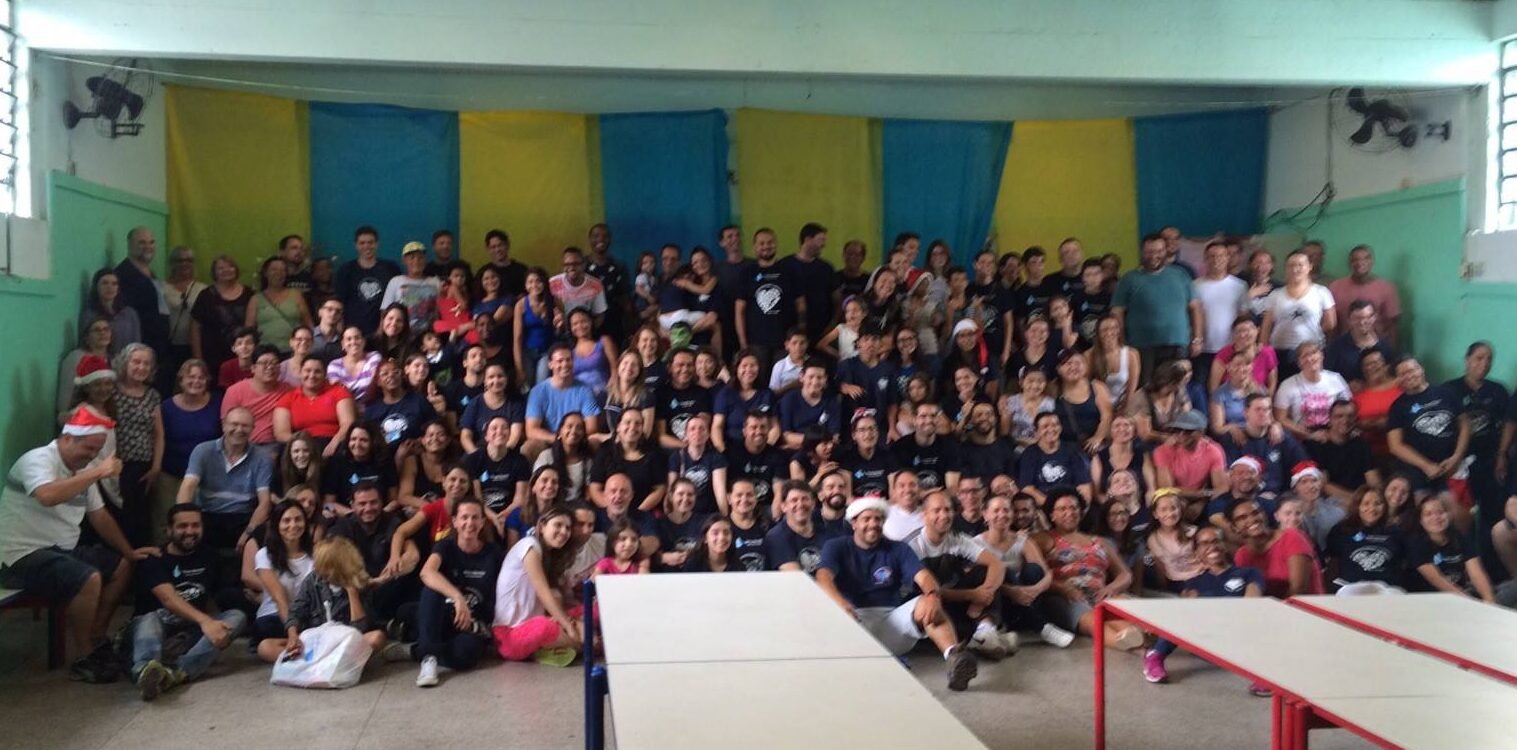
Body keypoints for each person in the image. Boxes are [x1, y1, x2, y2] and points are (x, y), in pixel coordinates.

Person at [0, 409, 149, 682]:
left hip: (61, 551)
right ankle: (85, 656)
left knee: (122, 565)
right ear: (68, 438)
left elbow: (100, 517)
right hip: (19, 555)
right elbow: (47, 495)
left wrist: (129, 552)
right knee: (88, 577)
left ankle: (96, 636)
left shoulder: (84, 472)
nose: (92, 455)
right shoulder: (38, 459)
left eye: (97, 451)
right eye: (88, 448)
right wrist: (99, 472)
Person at [815, 498, 980, 690]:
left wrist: (933, 596)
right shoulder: (836, 546)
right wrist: (840, 603)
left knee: (928, 602)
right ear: (854, 523)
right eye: (867, 519)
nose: (873, 524)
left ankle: (954, 658)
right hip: (852, 620)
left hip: (891, 622)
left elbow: (924, 577)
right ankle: (882, 663)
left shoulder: (898, 548)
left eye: (878, 519)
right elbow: (823, 576)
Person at [129, 503, 247, 700]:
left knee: (236, 617)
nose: (190, 531)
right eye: (182, 526)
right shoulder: (154, 558)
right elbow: (168, 599)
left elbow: (219, 596)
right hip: (152, 629)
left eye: (195, 525)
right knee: (149, 618)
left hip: (189, 631)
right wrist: (205, 621)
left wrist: (219, 627)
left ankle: (177, 673)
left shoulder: (210, 556)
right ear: (169, 530)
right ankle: (145, 669)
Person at [1139, 525, 1265, 687]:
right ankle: (1155, 656)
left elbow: (1253, 603)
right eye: (1204, 543)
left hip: (1241, 634)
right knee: (1189, 606)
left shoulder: (1248, 573)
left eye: (1216, 541)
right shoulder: (1193, 582)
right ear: (1197, 552)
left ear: (1224, 545)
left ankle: (1266, 677)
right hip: (1209, 639)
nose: (1212, 546)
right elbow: (1187, 615)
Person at [405, 496, 502, 685]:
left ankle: (415, 650)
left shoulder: (494, 553)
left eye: (475, 518)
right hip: (443, 614)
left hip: (471, 624)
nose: (470, 523)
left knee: (467, 653)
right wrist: (458, 598)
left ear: (483, 522)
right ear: (455, 521)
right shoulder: (445, 546)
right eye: (464, 517)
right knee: (430, 591)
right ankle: (429, 658)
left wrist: (483, 624)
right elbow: (426, 572)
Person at [1034, 487, 1143, 649]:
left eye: (1074, 508)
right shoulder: (1043, 539)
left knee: (1124, 612)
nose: (1069, 512)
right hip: (1066, 597)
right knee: (1095, 620)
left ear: (1081, 512)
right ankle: (1130, 645)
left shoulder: (1100, 541)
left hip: (1099, 594)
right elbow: (1037, 574)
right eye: (1062, 509)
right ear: (1052, 515)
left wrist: (1111, 588)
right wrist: (1062, 588)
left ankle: (1140, 638)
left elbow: (1125, 574)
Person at [908, 490, 1009, 659]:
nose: (944, 515)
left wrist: (983, 595)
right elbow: (925, 593)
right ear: (924, 515)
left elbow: (996, 564)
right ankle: (985, 638)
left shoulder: (957, 538)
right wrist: (972, 595)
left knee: (984, 572)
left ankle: (985, 631)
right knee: (949, 624)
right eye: (937, 510)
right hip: (930, 606)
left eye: (948, 510)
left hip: (956, 601)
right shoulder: (912, 546)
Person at [976, 494, 1076, 648]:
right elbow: (975, 580)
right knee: (1003, 570)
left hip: (1027, 598)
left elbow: (1047, 574)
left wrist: (1035, 589)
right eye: (996, 511)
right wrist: (1011, 591)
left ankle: (1031, 623)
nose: (1002, 515)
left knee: (1033, 569)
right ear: (985, 515)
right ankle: (1043, 628)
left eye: (1006, 510)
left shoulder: (1023, 541)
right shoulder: (975, 544)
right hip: (998, 602)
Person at [490, 503, 586, 660]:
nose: (564, 532)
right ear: (542, 527)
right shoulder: (529, 545)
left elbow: (554, 599)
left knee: (585, 612)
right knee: (547, 628)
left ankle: (565, 646)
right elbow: (543, 593)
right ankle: (578, 646)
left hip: (535, 622)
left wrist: (572, 621)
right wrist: (569, 627)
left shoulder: (549, 556)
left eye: (568, 528)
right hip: (508, 634)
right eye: (558, 525)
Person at [177, 406, 274, 553]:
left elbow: (264, 502)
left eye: (245, 425)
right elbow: (188, 486)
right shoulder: (203, 451)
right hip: (207, 515)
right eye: (234, 424)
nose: (239, 430)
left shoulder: (262, 458)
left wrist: (249, 532)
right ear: (223, 425)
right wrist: (185, 522)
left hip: (243, 518)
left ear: (253, 429)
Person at [1387, 356, 1470, 524]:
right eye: (1403, 374)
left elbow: (1465, 426)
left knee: (1459, 514)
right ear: (1398, 379)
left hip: (1451, 464)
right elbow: (1395, 445)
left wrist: (1457, 457)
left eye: (1412, 370)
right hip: (1417, 470)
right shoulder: (1398, 407)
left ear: (1421, 369)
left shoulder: (1447, 393)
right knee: (1425, 513)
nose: (1409, 376)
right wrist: (1426, 466)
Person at [1112, 233, 1202, 387]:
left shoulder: (1181, 275)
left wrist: (1197, 339)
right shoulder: (1129, 279)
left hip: (1177, 344)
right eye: (1149, 252)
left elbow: (1195, 308)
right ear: (1142, 252)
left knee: (1176, 387)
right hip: (1142, 345)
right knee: (1146, 388)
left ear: (1166, 251)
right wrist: (1121, 342)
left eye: (1159, 251)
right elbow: (1117, 312)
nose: (1154, 256)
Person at [327, 482, 418, 623]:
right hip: (355, 589)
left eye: (373, 502)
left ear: (381, 502)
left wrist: (391, 573)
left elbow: (413, 555)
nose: (368, 508)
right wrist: (368, 583)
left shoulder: (392, 521)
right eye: (362, 504)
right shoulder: (342, 527)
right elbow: (335, 564)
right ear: (352, 505)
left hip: (388, 586)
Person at [1406, 495, 1506, 603]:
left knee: (1511, 588)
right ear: (1420, 520)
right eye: (1428, 514)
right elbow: (1438, 580)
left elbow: (1476, 571)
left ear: (1448, 515)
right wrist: (1471, 603)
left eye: (1440, 512)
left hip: (1465, 593)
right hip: (1434, 600)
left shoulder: (1459, 538)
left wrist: (1489, 600)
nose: (1436, 517)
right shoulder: (1417, 545)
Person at [251, 499, 317, 662]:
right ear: (277, 525)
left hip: (306, 616)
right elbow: (279, 598)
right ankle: (310, 655)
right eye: (286, 520)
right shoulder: (264, 555)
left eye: (298, 519)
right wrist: (293, 634)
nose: (293, 525)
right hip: (275, 617)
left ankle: (300, 656)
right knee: (265, 644)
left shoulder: (316, 554)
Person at [1260, 249, 1336, 378]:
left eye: (1300, 265)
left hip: (1311, 352)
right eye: (1291, 265)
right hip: (1280, 351)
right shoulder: (1275, 295)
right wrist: (1263, 351)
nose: (1295, 269)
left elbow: (1331, 323)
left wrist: (1314, 332)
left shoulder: (1321, 292)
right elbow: (1266, 326)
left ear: (1309, 267)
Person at [734, 228, 801, 370]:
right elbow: (739, 311)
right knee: (757, 379)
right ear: (754, 247)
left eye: (770, 242)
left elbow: (801, 305)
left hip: (785, 343)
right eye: (762, 243)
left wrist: (800, 334)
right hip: (756, 343)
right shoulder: (747, 273)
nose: (766, 246)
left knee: (784, 380)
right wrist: (743, 343)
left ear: (776, 244)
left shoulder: (789, 271)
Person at [1229, 497, 1324, 597]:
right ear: (1234, 528)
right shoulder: (1242, 555)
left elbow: (1299, 588)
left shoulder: (1292, 537)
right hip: (1269, 606)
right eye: (1242, 518)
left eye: (1256, 513)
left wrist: (1273, 606)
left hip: (1306, 604)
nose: (1252, 519)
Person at [524, 344, 603, 459]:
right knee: (529, 447)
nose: (565, 364)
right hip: (551, 440)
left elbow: (592, 428)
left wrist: (572, 438)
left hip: (577, 439)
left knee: (594, 442)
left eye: (568, 360)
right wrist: (558, 439)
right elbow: (531, 430)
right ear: (550, 364)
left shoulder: (585, 389)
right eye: (560, 361)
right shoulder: (538, 392)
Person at [1323, 486, 1406, 595]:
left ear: (1385, 506)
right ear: (1357, 506)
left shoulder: (1396, 532)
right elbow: (1331, 564)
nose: (1372, 508)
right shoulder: (1341, 530)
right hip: (1350, 588)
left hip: (1387, 589)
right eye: (1366, 504)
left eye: (1377, 504)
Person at [275, 358, 358, 459]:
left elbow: (348, 423)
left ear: (325, 374)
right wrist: (302, 444)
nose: (312, 375)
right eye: (307, 371)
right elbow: (281, 433)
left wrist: (334, 443)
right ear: (300, 373)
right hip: (302, 445)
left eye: (317, 372)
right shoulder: (288, 398)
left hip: (334, 442)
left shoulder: (339, 391)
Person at [1152, 410, 1226, 521]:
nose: (1181, 435)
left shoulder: (1213, 450)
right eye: (1177, 430)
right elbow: (1167, 490)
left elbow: (1222, 487)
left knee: (1220, 505)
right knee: (1172, 505)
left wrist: (1202, 503)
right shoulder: (1163, 451)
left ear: (1201, 433)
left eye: (1188, 431)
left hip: (1202, 498)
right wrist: (1201, 494)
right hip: (1178, 498)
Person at [1192, 240, 1248, 386]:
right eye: (1211, 256)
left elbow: (1243, 317)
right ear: (1205, 259)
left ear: (1227, 258)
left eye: (1221, 256)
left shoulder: (1239, 286)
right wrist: (1196, 340)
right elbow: (1193, 316)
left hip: (1231, 348)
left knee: (1229, 388)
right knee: (1201, 387)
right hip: (1203, 349)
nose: (1216, 260)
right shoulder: (1195, 286)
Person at [764, 480, 844, 574]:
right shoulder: (776, 536)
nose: (800, 504)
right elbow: (794, 577)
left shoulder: (828, 534)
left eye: (805, 499)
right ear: (784, 507)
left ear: (813, 504)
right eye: (794, 500)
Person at [191, 256, 254, 374]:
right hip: (212, 355)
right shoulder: (205, 295)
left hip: (241, 354)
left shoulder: (249, 294)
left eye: (230, 266)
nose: (226, 270)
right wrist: (198, 358)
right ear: (214, 273)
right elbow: (195, 328)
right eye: (221, 268)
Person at [1307, 400, 1380, 501]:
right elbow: (1324, 485)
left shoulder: (1362, 444)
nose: (1345, 421)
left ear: (1355, 419)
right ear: (1330, 419)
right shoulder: (1316, 445)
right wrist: (1356, 501)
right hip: (1330, 500)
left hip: (1362, 500)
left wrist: (1374, 497)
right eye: (1339, 416)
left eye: (1350, 416)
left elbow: (1373, 479)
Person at [335, 226, 401, 336]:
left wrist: (383, 326)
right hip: (352, 331)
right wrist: (339, 324)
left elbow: (397, 302)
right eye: (362, 243)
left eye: (370, 242)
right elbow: (340, 300)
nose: (366, 246)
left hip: (384, 330)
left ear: (377, 244)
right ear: (356, 245)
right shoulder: (346, 270)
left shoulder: (391, 268)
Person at [1329, 245, 1401, 344]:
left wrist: (1391, 349)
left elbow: (1393, 324)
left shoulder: (1386, 288)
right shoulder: (1335, 287)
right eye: (1355, 260)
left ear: (1372, 262)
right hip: (1345, 345)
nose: (1360, 263)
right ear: (1350, 263)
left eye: (1365, 258)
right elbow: (1332, 323)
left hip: (1376, 345)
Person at [1018, 413, 1093, 504]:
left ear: (1060, 428)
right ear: (1036, 432)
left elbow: (1084, 486)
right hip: (1043, 506)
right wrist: (1052, 506)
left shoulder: (1073, 451)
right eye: (1045, 426)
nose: (1051, 429)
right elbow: (1027, 489)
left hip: (1071, 506)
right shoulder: (1029, 454)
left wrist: (1076, 506)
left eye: (1054, 425)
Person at [246, 257, 314, 354]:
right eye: (274, 269)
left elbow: (308, 322)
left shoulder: (296, 295)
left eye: (283, 270)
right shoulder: (256, 299)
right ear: (265, 273)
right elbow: (249, 330)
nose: (279, 273)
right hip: (266, 352)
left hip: (294, 350)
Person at [726, 412, 788, 515]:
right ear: (744, 431)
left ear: (769, 430)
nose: (759, 431)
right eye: (753, 427)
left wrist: (776, 514)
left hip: (767, 507)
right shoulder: (731, 454)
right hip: (740, 505)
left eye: (763, 427)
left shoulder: (779, 455)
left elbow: (779, 490)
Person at [1143, 489, 1203, 594]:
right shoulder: (1153, 539)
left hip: (1199, 577)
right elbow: (1161, 569)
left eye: (1173, 508)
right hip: (1175, 583)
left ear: (1180, 510)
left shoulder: (1193, 532)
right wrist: (1164, 590)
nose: (1170, 514)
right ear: (1155, 514)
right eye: (1163, 510)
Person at [1054, 349, 1113, 453]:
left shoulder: (1097, 387)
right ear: (1059, 369)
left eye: (1078, 363)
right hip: (1062, 446)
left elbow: (1107, 416)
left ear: (1085, 366)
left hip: (1092, 446)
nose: (1073, 367)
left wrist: (1098, 437)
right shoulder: (1053, 389)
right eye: (1068, 364)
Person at [1323, 301, 1394, 386]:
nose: (1362, 322)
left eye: (1368, 317)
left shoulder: (1385, 346)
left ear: (1374, 318)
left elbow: (1391, 373)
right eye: (1357, 318)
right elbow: (1326, 377)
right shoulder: (1336, 348)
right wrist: (1346, 385)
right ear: (1349, 320)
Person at [778, 360, 842, 448]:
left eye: (819, 377)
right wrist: (818, 443)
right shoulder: (789, 399)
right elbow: (786, 436)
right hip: (794, 451)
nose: (815, 382)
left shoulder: (832, 402)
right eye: (811, 377)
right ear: (802, 377)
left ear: (825, 379)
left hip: (824, 451)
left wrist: (811, 444)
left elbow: (834, 437)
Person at [80, 268, 142, 359]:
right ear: (96, 286)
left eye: (114, 284)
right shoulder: (89, 315)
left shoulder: (130, 313)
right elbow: (86, 345)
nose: (110, 287)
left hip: (127, 363)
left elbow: (137, 344)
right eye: (105, 283)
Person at [381, 241, 442, 332]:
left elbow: (439, 310)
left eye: (420, 257)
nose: (416, 261)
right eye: (412, 258)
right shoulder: (395, 282)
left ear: (425, 260)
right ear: (404, 260)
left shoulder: (435, 282)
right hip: (402, 334)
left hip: (428, 335)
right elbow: (385, 311)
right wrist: (381, 332)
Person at [513, 267, 560, 386]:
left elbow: (559, 333)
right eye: (530, 282)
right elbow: (517, 338)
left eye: (538, 281)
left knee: (541, 385)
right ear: (525, 285)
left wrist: (560, 324)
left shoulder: (554, 301)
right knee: (527, 386)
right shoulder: (521, 305)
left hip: (546, 352)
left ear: (544, 282)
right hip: (527, 352)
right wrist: (519, 368)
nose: (534, 285)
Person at [1086, 314, 1141, 413]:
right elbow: (1085, 385)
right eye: (1104, 330)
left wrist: (1124, 409)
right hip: (1097, 406)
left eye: (1114, 328)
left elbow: (1132, 388)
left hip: (1123, 404)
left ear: (1119, 330)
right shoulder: (1089, 355)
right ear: (1098, 333)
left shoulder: (1131, 354)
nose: (1109, 333)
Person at [960, 401, 1017, 484]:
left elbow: (1012, 479)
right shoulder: (963, 449)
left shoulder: (1006, 445)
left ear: (996, 419)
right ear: (971, 421)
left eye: (989, 414)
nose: (984, 418)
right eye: (978, 415)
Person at [566, 308, 617, 398]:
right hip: (579, 396)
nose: (580, 326)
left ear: (591, 322)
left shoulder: (604, 341)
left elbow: (615, 367)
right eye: (575, 324)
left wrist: (613, 388)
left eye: (583, 321)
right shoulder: (570, 352)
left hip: (603, 392)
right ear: (571, 328)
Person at [478, 229, 527, 298]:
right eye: (493, 247)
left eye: (500, 245)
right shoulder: (483, 272)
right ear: (488, 249)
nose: (497, 250)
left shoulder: (521, 270)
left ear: (507, 245)